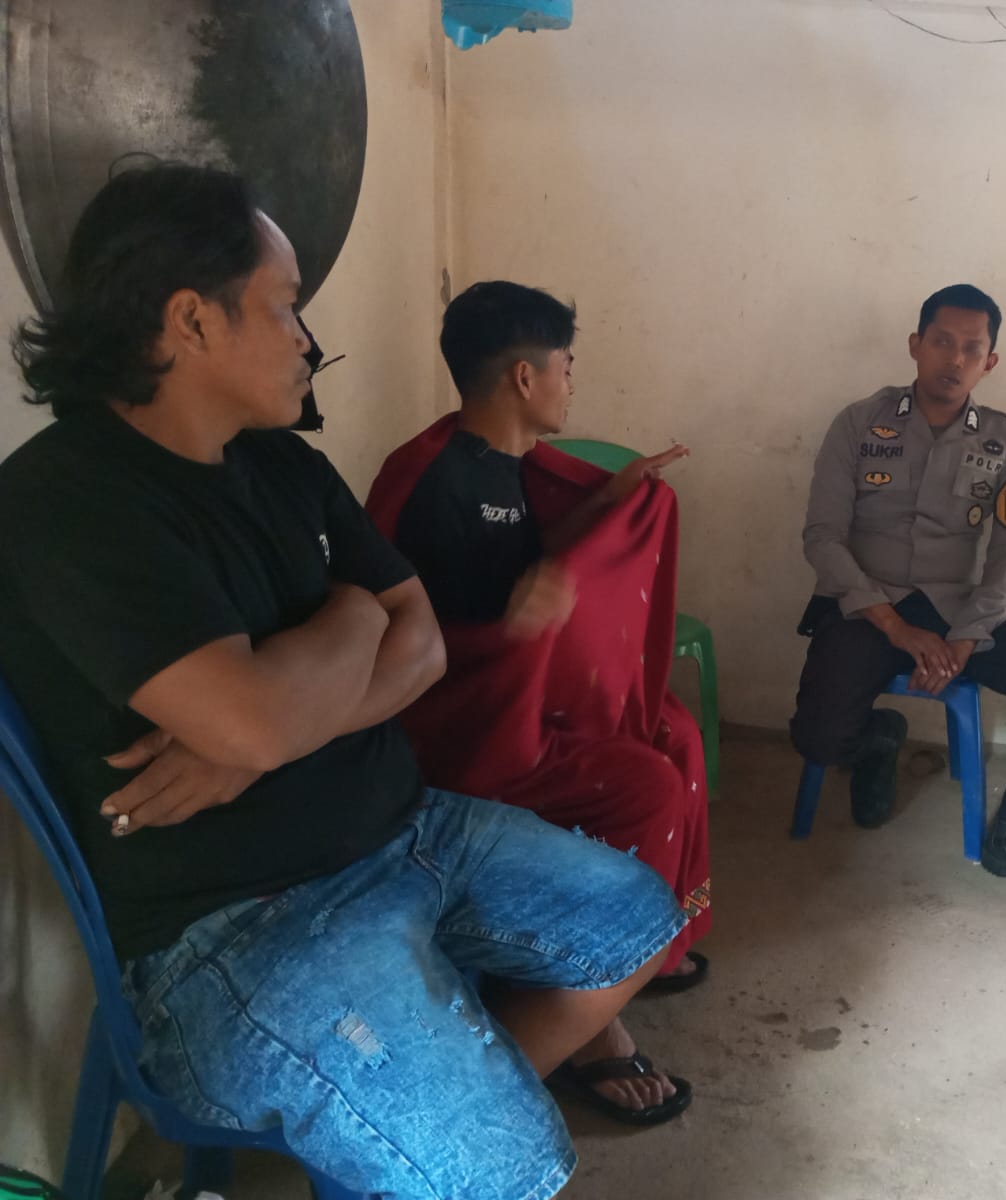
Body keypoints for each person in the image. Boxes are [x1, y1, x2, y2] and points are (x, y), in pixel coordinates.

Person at [0, 164, 682, 1197]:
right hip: (238, 923)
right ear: (191, 321)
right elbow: (261, 711)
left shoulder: (282, 464)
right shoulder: (69, 500)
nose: (307, 341)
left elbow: (421, 645)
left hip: (407, 827)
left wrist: (280, 722)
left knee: (638, 920)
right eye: (285, 308)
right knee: (516, 1166)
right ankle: (448, 1130)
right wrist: (351, 621)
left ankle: (434, 1120)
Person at [366, 281, 708, 1125]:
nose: (570, 382)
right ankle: (588, 1015)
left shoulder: (498, 466)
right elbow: (410, 635)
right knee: (648, 785)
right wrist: (516, 631)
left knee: (674, 730)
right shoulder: (432, 480)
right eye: (566, 366)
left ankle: (631, 951)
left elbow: (518, 564)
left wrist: (610, 501)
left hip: (514, 702)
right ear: (525, 377)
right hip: (463, 737)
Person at [790, 284, 1006, 911]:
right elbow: (822, 537)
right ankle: (877, 740)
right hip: (866, 609)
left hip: (959, 612)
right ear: (916, 345)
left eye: (972, 348)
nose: (955, 359)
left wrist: (966, 638)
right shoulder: (857, 423)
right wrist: (894, 625)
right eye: (942, 342)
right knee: (819, 739)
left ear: (990, 361)